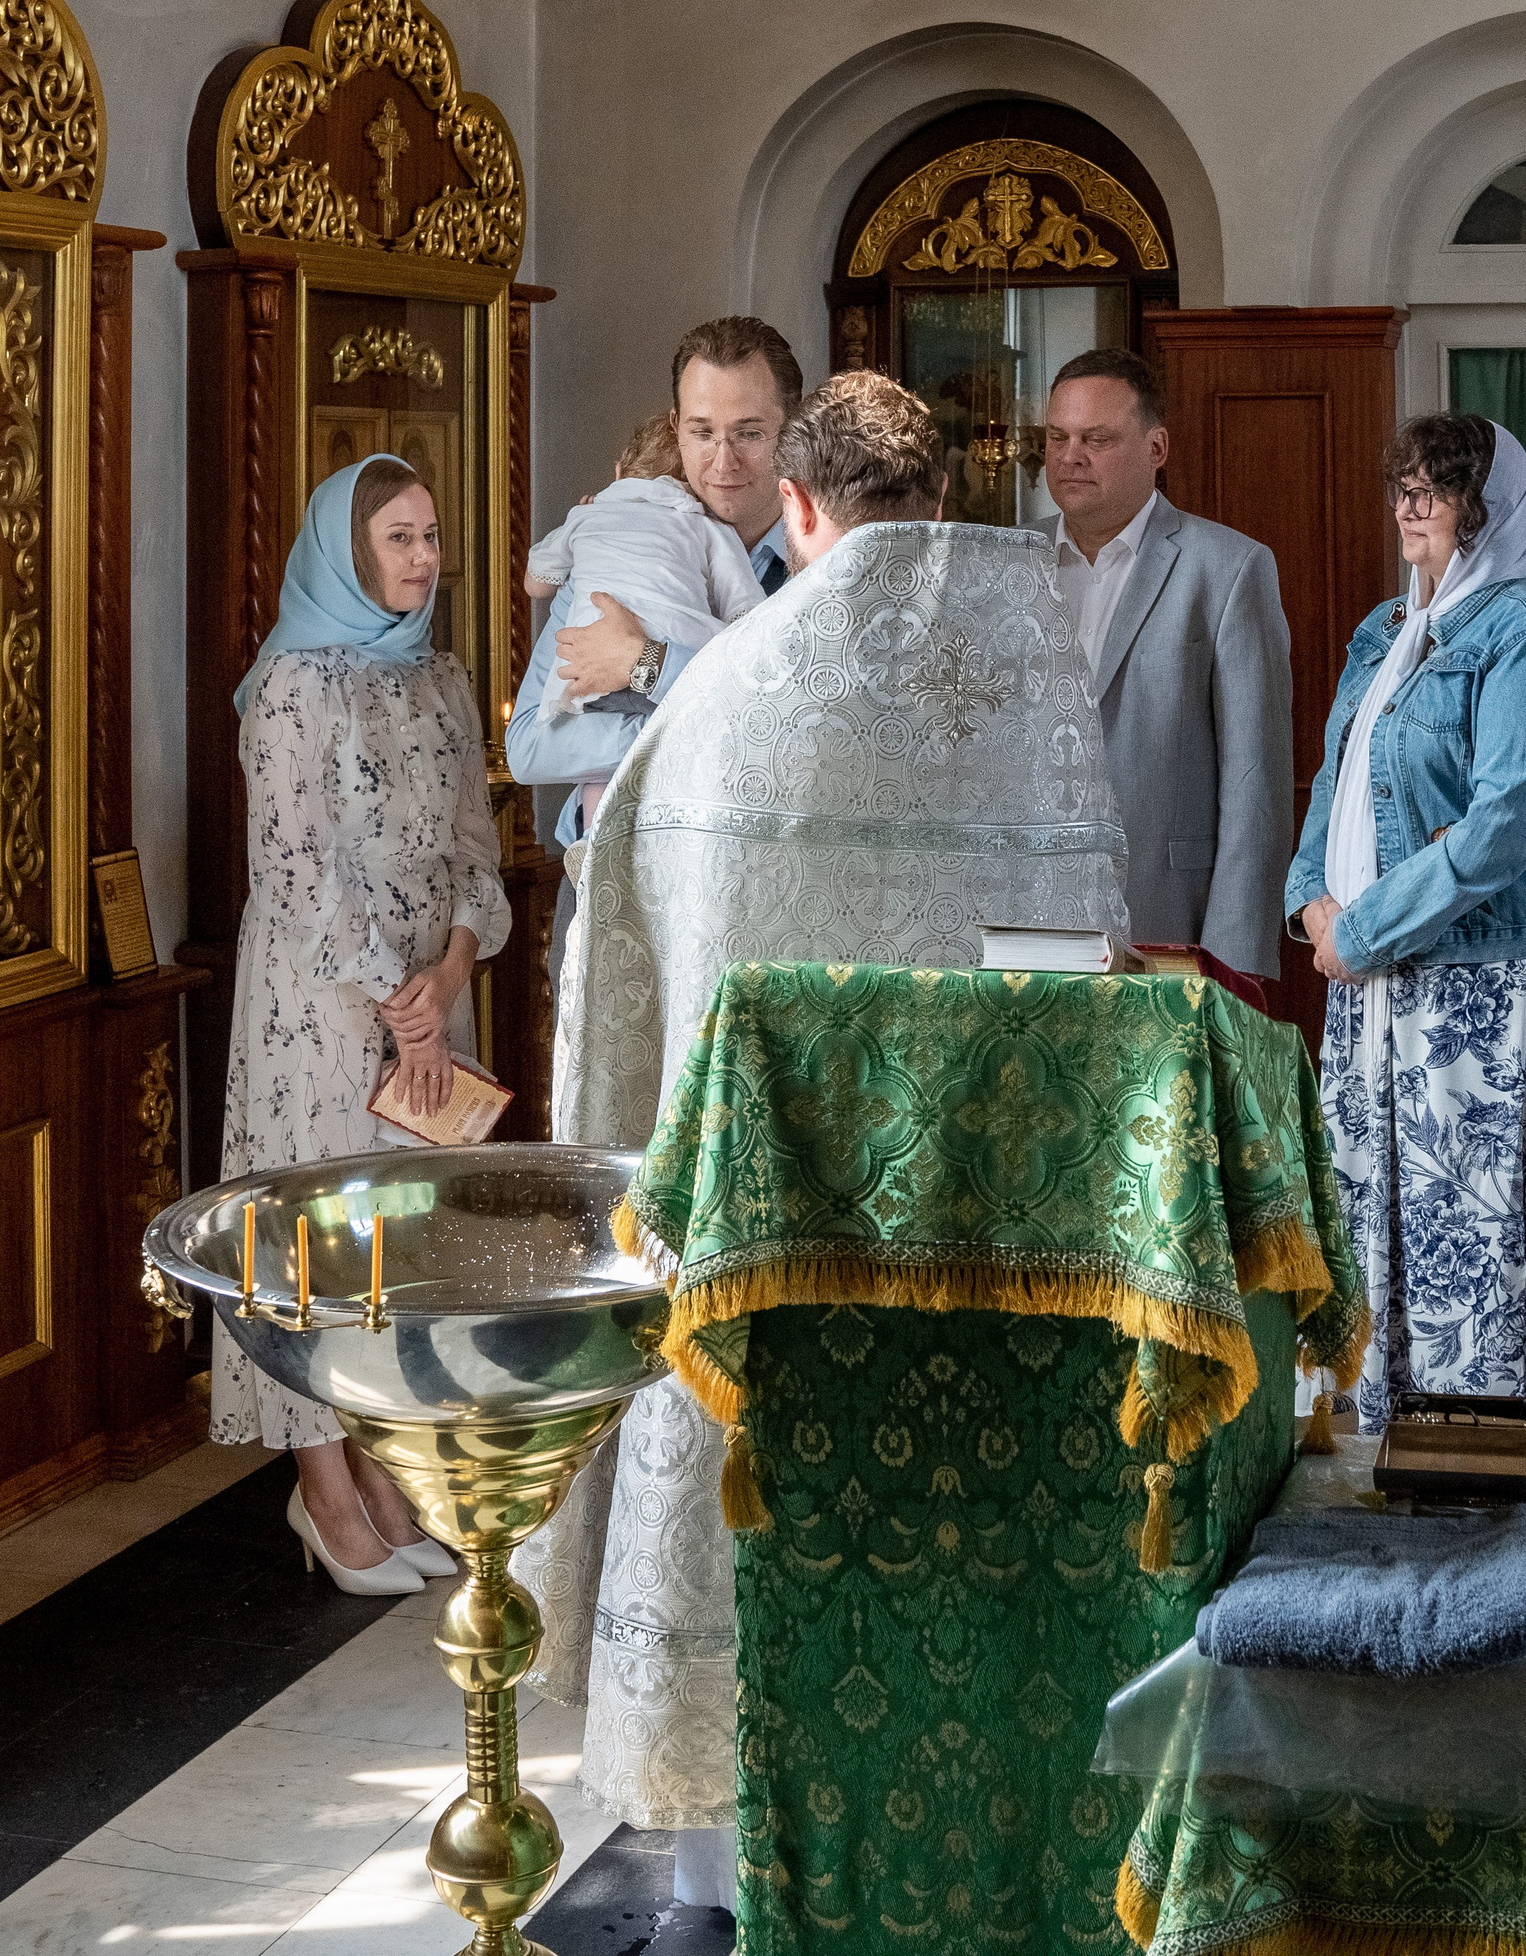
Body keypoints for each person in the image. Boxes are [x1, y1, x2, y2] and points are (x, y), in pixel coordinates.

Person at [517, 371, 1126, 1917]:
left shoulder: (722, 695)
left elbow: (625, 989)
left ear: (796, 508)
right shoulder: (1037, 675)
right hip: (995, 1226)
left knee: (752, 1552)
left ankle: (728, 1884)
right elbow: (1087, 959)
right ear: (941, 497)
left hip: (767, 1243)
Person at [1285, 412, 1526, 1449]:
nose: (1411, 507)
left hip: (1484, 990)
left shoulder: (1525, 636)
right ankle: (1381, 1434)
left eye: (1435, 491)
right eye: (1402, 484)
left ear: (1488, 514)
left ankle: (1483, 1449)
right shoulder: (1380, 633)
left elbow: (1502, 828)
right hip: (1373, 979)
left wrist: (1368, 927)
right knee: (1376, 1221)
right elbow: (1334, 779)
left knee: (1478, 1240)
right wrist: (1313, 897)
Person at [212, 457, 511, 1593]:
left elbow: (477, 851)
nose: (424, 557)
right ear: (345, 547)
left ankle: (385, 1476)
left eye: (432, 534)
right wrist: (403, 1005)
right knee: (319, 1243)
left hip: (433, 991)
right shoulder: (291, 684)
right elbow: (295, 871)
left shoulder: (440, 675)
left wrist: (449, 972)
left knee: (402, 1244)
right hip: (324, 1008)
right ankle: (324, 1490)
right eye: (399, 537)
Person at [1036, 348, 1295, 978]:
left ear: (1157, 448)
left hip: (1171, 927)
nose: (1072, 455)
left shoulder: (1228, 569)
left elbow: (1255, 782)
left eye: (1097, 437)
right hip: (1027, 921)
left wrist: (1232, 963)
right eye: (1056, 436)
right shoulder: (1011, 565)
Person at [504, 314, 803, 857]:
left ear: (793, 430)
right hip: (600, 876)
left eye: (750, 433)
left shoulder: (819, 564)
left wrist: (646, 664)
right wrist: (674, 728)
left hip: (752, 889)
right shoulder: (607, 555)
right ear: (675, 426)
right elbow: (527, 747)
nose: (723, 460)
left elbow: (787, 735)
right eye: (702, 431)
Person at [524, 409, 762, 739]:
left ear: (619, 472)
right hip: (679, 671)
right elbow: (746, 614)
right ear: (692, 486)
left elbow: (535, 584)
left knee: (599, 782)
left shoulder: (584, 517)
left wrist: (579, 546)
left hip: (587, 676)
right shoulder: (706, 526)